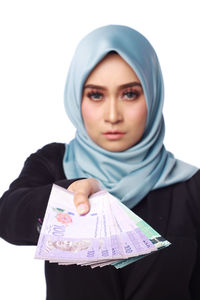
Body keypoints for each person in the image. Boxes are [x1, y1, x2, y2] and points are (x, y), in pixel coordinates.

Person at [0, 24, 200, 300]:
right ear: (76, 97)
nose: (113, 115)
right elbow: (8, 217)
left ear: (153, 95)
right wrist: (67, 196)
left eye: (130, 94)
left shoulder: (191, 187)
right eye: (96, 95)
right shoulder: (55, 163)